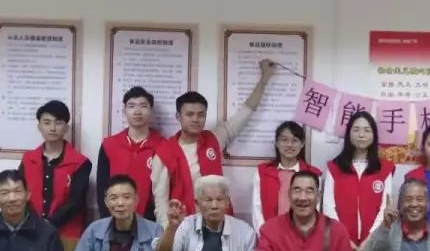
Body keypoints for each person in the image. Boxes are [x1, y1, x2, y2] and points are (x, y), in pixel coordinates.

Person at [153, 59, 277, 228]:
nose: (195, 119)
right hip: (184, 226)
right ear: (178, 117)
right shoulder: (164, 152)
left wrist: (264, 79)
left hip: (220, 223)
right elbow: (161, 203)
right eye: (189, 114)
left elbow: (245, 112)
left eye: (200, 114)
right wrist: (169, 234)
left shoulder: (214, 138)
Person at [247, 170, 357, 251]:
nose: (302, 197)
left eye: (309, 191)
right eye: (297, 190)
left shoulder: (337, 231)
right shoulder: (271, 229)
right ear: (289, 195)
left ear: (318, 197)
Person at [20, 100, 90, 251]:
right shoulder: (28, 159)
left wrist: (48, 225)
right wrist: (34, 223)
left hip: (67, 235)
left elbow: (76, 201)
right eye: (47, 122)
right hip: (31, 232)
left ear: (66, 127)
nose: (52, 128)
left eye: (58, 123)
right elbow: (21, 193)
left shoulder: (80, 162)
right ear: (39, 126)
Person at [322, 111, 395, 251]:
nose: (361, 135)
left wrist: (369, 240)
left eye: (367, 130)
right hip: (341, 242)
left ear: (374, 135)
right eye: (356, 130)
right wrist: (346, 240)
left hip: (374, 244)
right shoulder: (334, 167)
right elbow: (328, 208)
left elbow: (384, 208)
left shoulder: (384, 169)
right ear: (349, 134)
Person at [97, 86, 162, 221]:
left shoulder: (163, 146)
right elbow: (101, 186)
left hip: (151, 221)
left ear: (151, 111)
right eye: (131, 106)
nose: (137, 111)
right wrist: (106, 220)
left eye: (143, 106)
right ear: (124, 111)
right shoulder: (109, 144)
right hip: (114, 218)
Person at [251, 120, 321, 232]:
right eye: (284, 140)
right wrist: (264, 235)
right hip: (269, 234)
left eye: (294, 140)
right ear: (277, 143)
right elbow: (256, 208)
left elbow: (315, 210)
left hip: (302, 235)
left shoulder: (313, 174)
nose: (289, 145)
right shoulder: (262, 172)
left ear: (302, 144)